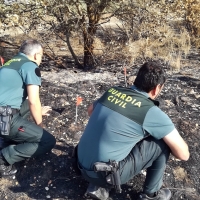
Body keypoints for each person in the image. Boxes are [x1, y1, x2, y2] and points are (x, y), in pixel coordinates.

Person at [77, 61, 190, 200]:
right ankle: (151, 195)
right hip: (104, 175)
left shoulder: (112, 91)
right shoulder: (151, 112)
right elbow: (184, 155)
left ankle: (97, 187)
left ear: (137, 80)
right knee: (162, 143)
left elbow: (90, 111)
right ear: (156, 89)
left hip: (80, 165)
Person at [0, 39, 56, 177]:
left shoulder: (10, 63)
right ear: (36, 55)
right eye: (41, 56)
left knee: (23, 106)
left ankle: (6, 138)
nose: (41, 59)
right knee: (47, 141)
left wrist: (38, 110)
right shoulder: (30, 66)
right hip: (4, 117)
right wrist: (40, 127)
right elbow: (33, 101)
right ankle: (3, 158)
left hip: (3, 114)